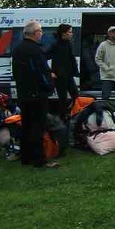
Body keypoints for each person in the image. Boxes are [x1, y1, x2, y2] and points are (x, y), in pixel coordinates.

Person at [12, 20, 58, 168]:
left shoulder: (18, 49)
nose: (42, 33)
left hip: (23, 93)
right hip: (37, 94)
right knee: (38, 126)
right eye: (40, 31)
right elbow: (41, 73)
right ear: (34, 33)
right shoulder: (35, 50)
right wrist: (50, 83)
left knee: (26, 125)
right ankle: (39, 159)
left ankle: (26, 157)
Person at [47, 24, 79, 117]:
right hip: (59, 76)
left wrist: (75, 71)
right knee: (62, 99)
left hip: (69, 76)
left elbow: (71, 58)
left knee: (76, 96)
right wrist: (50, 72)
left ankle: (75, 114)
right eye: (70, 32)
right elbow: (44, 56)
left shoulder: (69, 44)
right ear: (63, 33)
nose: (71, 34)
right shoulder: (55, 45)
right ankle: (62, 117)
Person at [96, 25, 115, 114]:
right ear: (109, 33)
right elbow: (98, 59)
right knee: (105, 97)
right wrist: (106, 68)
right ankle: (105, 116)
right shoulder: (103, 45)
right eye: (113, 32)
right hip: (107, 76)